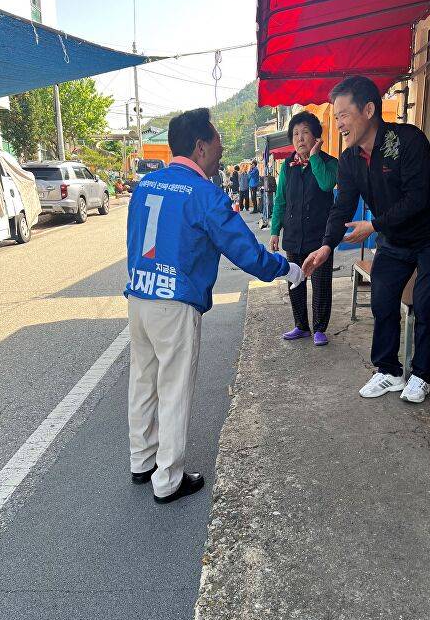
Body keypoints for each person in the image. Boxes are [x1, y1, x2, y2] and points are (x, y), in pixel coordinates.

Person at [125, 108, 304, 503]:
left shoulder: (145, 185)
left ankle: (142, 461)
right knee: (173, 390)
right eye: (218, 143)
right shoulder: (204, 194)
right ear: (200, 147)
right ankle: (168, 480)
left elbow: (134, 242)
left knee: (143, 381)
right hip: (175, 303)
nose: (221, 152)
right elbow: (245, 251)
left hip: (139, 296)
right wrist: (286, 268)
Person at [302, 76, 430, 404]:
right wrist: (327, 245)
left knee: (426, 304)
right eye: (336, 117)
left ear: (369, 110)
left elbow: (417, 198)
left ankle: (421, 375)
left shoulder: (406, 141)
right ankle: (388, 371)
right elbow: (342, 206)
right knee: (383, 299)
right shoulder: (350, 159)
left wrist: (373, 225)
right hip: (395, 238)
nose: (339, 124)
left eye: (344, 115)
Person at [270, 111, 338, 347]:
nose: (299, 138)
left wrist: (315, 157)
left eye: (305, 132)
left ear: (316, 137)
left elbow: (327, 184)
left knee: (321, 284)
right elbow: (280, 200)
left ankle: (319, 328)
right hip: (293, 235)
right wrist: (275, 231)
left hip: (319, 238)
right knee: (295, 281)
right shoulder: (287, 167)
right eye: (296, 134)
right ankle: (301, 326)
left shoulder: (330, 163)